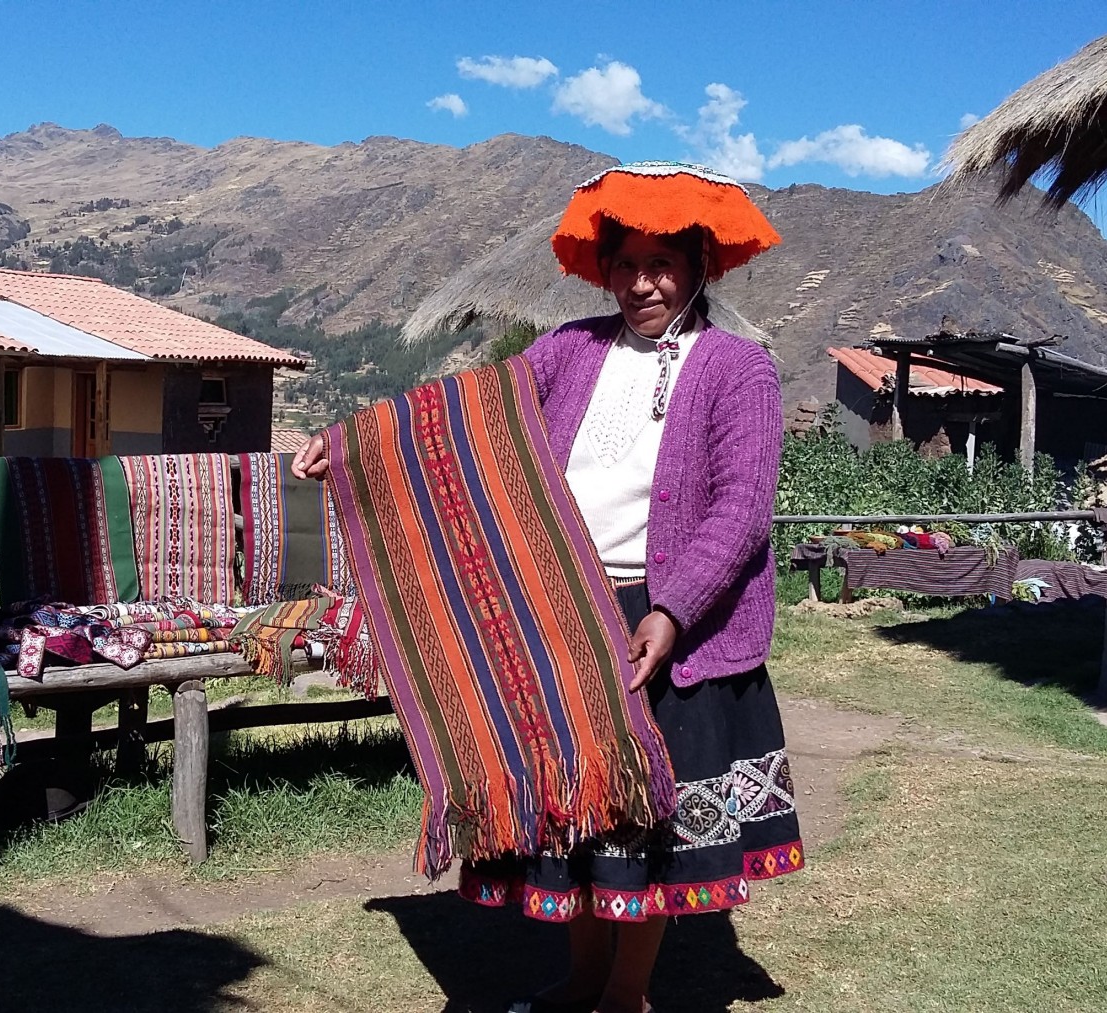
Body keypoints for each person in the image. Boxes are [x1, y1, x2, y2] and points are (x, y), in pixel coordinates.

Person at [294, 161, 801, 1013]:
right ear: (604, 268)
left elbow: (742, 509)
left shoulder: (738, 370)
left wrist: (673, 610)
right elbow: (464, 413)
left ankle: (626, 994)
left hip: (669, 618)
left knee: (644, 815)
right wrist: (352, 441)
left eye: (663, 262)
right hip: (566, 605)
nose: (643, 281)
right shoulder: (570, 351)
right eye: (627, 262)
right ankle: (581, 978)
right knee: (581, 806)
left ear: (698, 265)